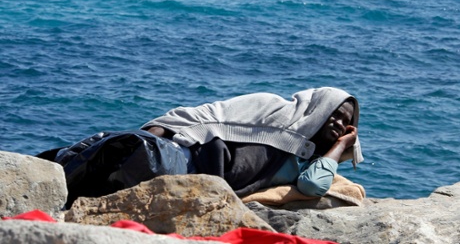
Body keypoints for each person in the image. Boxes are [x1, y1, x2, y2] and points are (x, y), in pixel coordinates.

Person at [141, 87, 363, 198]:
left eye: (346, 122)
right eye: (335, 114)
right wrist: (154, 133)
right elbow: (209, 113)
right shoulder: (274, 107)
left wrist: (341, 145)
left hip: (200, 183)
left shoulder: (313, 162)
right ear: (319, 109)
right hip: (188, 157)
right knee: (123, 155)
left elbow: (313, 185)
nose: (338, 123)